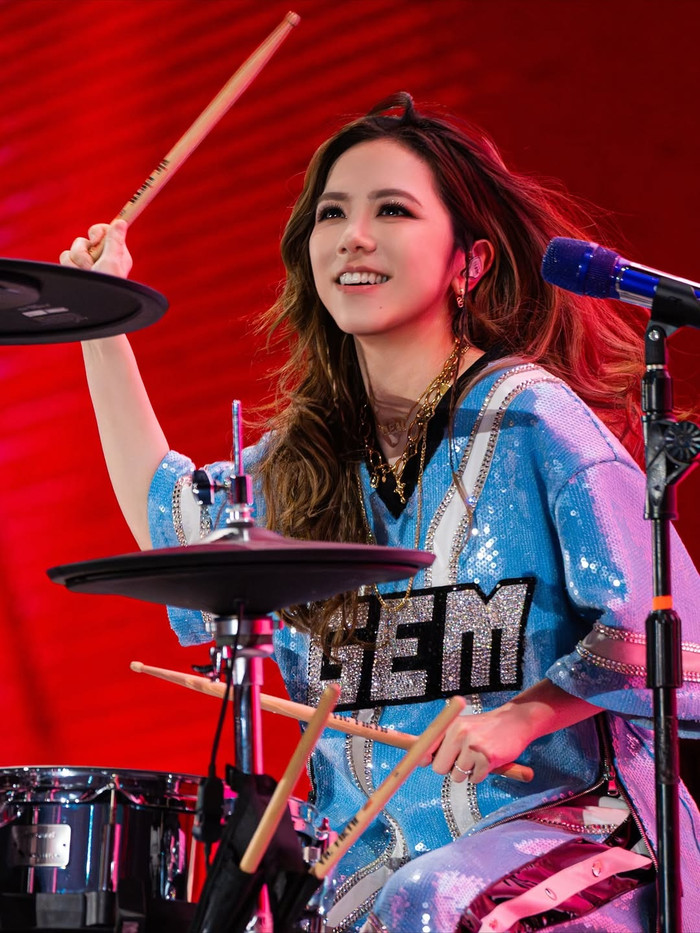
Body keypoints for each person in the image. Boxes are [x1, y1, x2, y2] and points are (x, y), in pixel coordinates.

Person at [61, 93, 700, 932]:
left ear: (469, 261)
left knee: (429, 900)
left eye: (391, 210)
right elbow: (173, 524)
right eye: (332, 213)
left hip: (570, 833)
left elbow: (673, 640)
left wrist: (529, 713)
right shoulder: (303, 461)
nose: (353, 235)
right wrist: (102, 321)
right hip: (366, 863)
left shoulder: (534, 418)